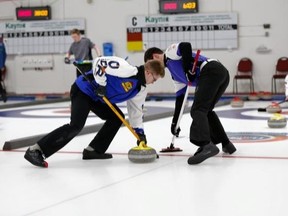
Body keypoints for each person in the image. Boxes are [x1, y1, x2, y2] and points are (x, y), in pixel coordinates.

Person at [24, 56, 165, 168]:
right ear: (148, 72)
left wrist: (140, 134)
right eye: (154, 78)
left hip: (98, 98)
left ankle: (93, 150)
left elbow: (136, 111)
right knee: (76, 125)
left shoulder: (140, 89)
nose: (153, 82)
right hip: (84, 90)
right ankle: (36, 150)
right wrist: (102, 84)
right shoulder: (126, 69)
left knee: (117, 118)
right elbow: (99, 62)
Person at [144, 42, 236, 165]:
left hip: (211, 70)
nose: (153, 69)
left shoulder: (170, 53)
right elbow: (180, 100)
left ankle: (206, 145)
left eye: (152, 65)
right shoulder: (175, 77)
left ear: (156, 56)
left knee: (197, 110)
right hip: (220, 74)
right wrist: (175, 122)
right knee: (206, 111)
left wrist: (188, 68)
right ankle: (226, 144)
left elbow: (185, 46)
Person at [0, 37, 7, 103]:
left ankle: (3, 95)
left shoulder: (1, 46)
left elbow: (3, 55)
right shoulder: (2, 45)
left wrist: (2, 65)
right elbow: (5, 55)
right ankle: (3, 95)